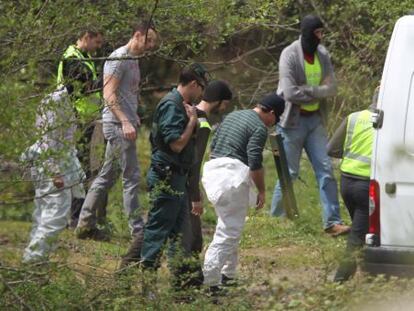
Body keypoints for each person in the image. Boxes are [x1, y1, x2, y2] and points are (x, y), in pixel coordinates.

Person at [118, 80, 232, 271]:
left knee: (167, 231)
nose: (225, 108)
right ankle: (136, 271)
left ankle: (180, 282)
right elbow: (194, 163)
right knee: (174, 234)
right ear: (220, 101)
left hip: (172, 177)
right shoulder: (201, 122)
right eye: (225, 104)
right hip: (178, 182)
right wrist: (195, 195)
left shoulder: (186, 111)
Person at [75, 23, 157, 241]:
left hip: (126, 123)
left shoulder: (133, 60)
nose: (151, 45)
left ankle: (84, 223)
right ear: (137, 35)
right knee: (131, 176)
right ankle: (138, 231)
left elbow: (127, 93)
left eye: (153, 42)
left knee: (107, 176)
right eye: (148, 40)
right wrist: (125, 121)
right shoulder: (118, 58)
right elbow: (109, 94)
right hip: (118, 126)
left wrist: (134, 114)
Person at [269, 14, 350, 236]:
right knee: (290, 172)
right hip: (292, 122)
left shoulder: (323, 54)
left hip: (316, 121)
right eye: (318, 33)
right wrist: (317, 92)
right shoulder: (289, 55)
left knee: (326, 170)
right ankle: (276, 221)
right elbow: (288, 92)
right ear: (307, 33)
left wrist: (308, 90)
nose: (321, 37)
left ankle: (332, 223)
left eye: (322, 33)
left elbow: (332, 88)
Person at [202, 93, 285, 292]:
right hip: (231, 178)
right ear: (271, 113)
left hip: (213, 173)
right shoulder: (258, 127)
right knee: (228, 232)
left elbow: (214, 144)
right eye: (275, 120)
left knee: (231, 226)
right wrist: (262, 191)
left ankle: (228, 275)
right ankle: (211, 283)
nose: (273, 124)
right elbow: (255, 161)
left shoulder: (233, 115)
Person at [139, 64, 208, 289]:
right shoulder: (172, 105)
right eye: (201, 88)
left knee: (179, 234)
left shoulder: (183, 105)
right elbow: (176, 144)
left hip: (178, 177)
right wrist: (191, 123)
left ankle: (182, 286)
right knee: (157, 231)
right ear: (193, 84)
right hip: (166, 177)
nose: (201, 95)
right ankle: (147, 285)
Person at [21, 88, 85, 263]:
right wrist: (55, 172)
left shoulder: (63, 100)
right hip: (51, 165)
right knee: (55, 214)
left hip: (52, 162)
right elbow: (49, 139)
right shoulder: (57, 102)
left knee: (43, 211)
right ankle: (34, 258)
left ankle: (36, 255)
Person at [56, 29, 105, 228]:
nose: (98, 47)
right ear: (86, 37)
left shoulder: (84, 56)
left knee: (82, 166)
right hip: (73, 119)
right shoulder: (71, 58)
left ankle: (76, 216)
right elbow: (85, 87)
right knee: (76, 167)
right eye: (97, 42)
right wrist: (107, 79)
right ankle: (73, 217)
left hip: (85, 118)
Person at [328, 92, 377, 282]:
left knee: (363, 229)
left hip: (347, 182)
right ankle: (340, 280)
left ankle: (371, 272)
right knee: (358, 235)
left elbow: (331, 149)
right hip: (367, 186)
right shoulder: (389, 122)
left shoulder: (354, 117)